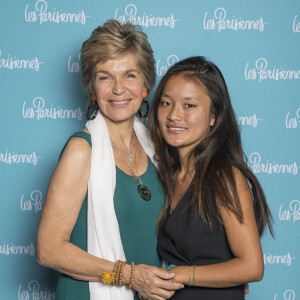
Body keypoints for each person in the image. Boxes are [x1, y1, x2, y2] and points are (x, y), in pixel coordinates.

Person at [36, 20, 183, 300]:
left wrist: (216, 273)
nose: (118, 89)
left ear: (145, 85)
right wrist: (130, 276)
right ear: (93, 88)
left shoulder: (159, 150)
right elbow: (48, 250)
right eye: (105, 77)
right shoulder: (82, 150)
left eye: (129, 75)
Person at [148, 56, 274, 300]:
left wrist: (179, 274)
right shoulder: (168, 174)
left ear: (214, 116)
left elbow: (252, 267)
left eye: (189, 105)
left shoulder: (225, 175)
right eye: (166, 103)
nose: (174, 115)